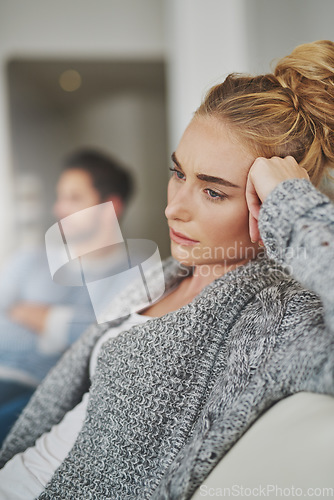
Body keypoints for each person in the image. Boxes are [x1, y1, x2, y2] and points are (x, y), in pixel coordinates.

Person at [0, 40, 334, 500]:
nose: (173, 208)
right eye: (179, 174)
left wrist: (294, 207)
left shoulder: (274, 318)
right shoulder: (166, 272)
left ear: (266, 200)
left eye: (214, 192)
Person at [0, 149, 134, 444]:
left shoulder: (135, 273)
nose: (59, 209)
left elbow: (111, 340)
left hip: (34, 392)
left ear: (110, 206)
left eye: (74, 198)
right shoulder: (30, 259)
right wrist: (71, 327)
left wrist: (44, 316)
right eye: (60, 198)